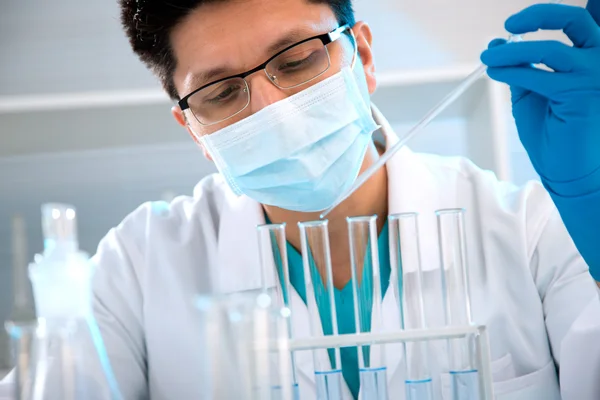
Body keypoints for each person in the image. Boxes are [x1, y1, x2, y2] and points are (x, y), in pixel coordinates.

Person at [1, 0, 599, 399]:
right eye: (221, 92)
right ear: (194, 130)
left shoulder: (534, 228)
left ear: (360, 57)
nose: (274, 110)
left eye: (297, 60)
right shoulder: (139, 264)